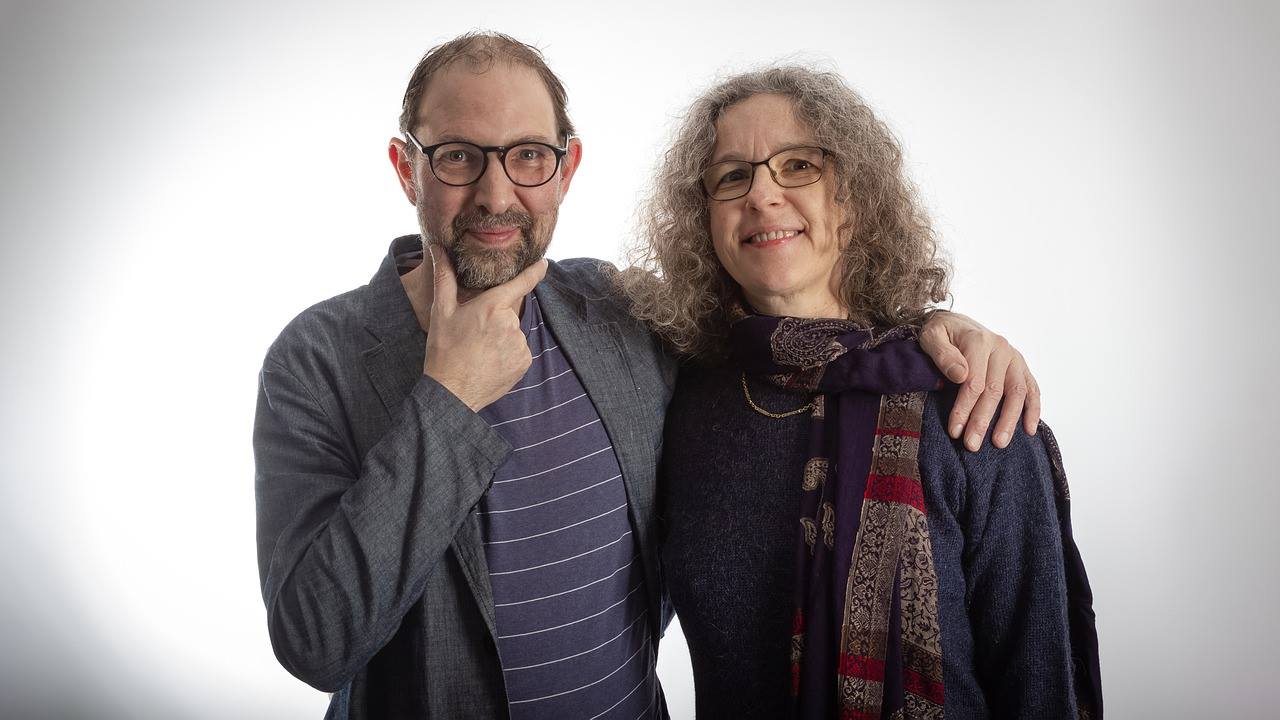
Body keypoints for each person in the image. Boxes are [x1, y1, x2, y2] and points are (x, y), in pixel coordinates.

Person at [254, 32, 1046, 719]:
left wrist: (936, 328)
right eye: (458, 156)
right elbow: (317, 644)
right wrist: (449, 398)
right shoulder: (317, 360)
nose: (497, 193)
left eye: (528, 155)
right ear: (407, 168)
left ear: (566, 169)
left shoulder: (620, 315)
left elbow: (790, 322)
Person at [621, 67, 1102, 718]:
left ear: (854, 200)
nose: (761, 195)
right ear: (702, 218)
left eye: (798, 166)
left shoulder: (969, 402)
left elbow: (1041, 683)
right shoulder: (679, 396)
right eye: (732, 176)